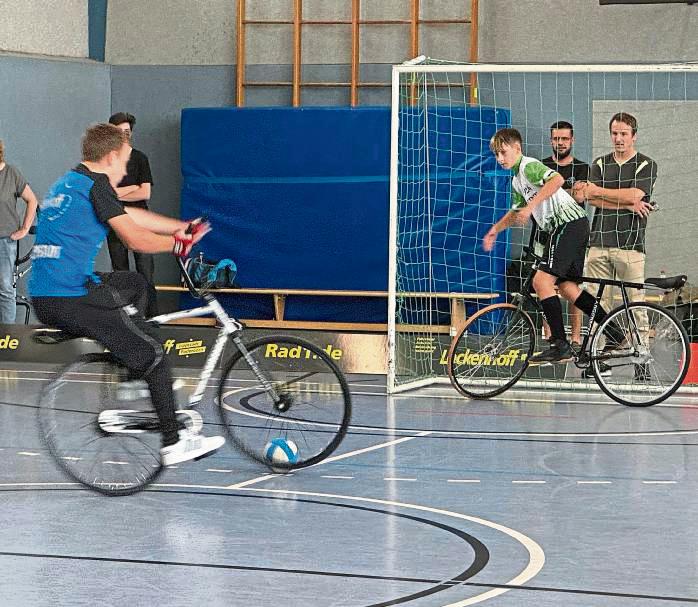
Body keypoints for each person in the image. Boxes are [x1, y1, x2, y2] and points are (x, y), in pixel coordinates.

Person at [28, 123, 224, 465]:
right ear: (111, 156)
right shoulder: (96, 185)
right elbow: (136, 239)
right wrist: (180, 244)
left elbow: (129, 215)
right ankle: (173, 443)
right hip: (71, 296)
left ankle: (132, 377)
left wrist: (177, 227)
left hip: (50, 293)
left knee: (133, 284)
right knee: (155, 355)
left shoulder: (71, 182)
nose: (125, 170)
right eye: (125, 162)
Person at [483, 128, 626, 364]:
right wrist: (495, 230)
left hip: (567, 225)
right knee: (569, 289)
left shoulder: (529, 166)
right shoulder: (517, 180)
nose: (500, 158)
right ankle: (615, 332)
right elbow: (517, 211)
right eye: (496, 155)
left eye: (503, 152)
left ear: (517, 148)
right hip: (574, 228)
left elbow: (557, 180)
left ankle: (559, 343)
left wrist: (532, 206)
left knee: (541, 281)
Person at [574, 112, 656, 379]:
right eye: (614, 133)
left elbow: (635, 194)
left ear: (634, 135)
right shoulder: (599, 163)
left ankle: (641, 357)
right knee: (598, 304)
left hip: (630, 245)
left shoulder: (646, 164)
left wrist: (602, 192)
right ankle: (601, 359)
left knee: (636, 303)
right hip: (598, 243)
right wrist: (626, 201)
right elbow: (590, 198)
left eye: (623, 133)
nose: (618, 138)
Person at [540, 121, 590, 350]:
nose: (560, 143)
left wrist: (552, 193)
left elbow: (580, 198)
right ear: (551, 140)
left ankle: (576, 338)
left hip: (571, 236)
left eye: (564, 139)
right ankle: (550, 335)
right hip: (547, 235)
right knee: (544, 284)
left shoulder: (582, 168)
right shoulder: (542, 166)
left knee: (571, 286)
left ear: (572, 140)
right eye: (556, 139)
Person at [106, 112, 158, 317]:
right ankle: (125, 320)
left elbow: (145, 192)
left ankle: (152, 319)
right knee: (121, 274)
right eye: (119, 132)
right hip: (116, 223)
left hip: (140, 223)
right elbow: (106, 194)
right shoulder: (107, 161)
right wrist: (131, 188)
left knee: (146, 273)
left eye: (127, 132)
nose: (123, 136)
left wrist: (120, 192)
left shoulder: (139, 158)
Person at [0, 139, 38, 323]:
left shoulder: (11, 173)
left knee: (5, 288)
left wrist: (24, 229)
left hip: (5, 241)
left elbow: (32, 200)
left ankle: (7, 338)